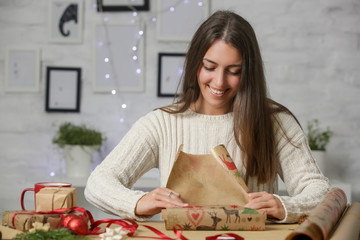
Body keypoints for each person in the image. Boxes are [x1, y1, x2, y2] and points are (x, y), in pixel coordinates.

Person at [85, 10, 330, 223]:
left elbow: (320, 190)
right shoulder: (161, 124)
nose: (219, 82)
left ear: (249, 73)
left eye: (234, 72)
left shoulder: (275, 122)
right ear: (195, 64)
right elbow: (98, 184)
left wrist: (285, 206)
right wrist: (140, 201)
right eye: (210, 67)